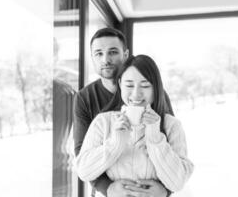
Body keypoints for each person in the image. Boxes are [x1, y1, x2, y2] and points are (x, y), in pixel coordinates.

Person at [73, 27, 174, 197]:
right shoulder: (84, 98)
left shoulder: (156, 95)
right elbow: (82, 153)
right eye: (98, 53)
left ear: (126, 55)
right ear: (92, 58)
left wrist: (165, 190)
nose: (105, 59)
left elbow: (171, 144)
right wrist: (108, 189)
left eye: (112, 52)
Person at [75, 55, 194, 194]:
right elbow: (83, 172)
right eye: (129, 85)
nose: (136, 94)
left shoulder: (171, 125)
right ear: (120, 84)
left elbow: (177, 183)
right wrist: (115, 143)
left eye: (145, 85)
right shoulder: (103, 122)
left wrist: (155, 138)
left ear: (156, 88)